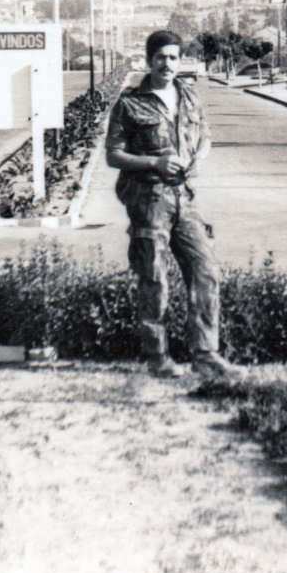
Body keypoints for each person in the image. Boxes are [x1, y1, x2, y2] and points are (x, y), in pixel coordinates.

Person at [105, 30, 238, 378]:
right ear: (149, 60)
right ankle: (157, 357)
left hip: (184, 197)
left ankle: (205, 353)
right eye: (161, 57)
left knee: (205, 269)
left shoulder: (189, 96)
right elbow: (113, 155)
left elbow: (205, 136)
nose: (167, 64)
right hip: (149, 199)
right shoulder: (130, 103)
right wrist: (155, 162)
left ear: (180, 61)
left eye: (173, 57)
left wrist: (198, 158)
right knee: (154, 277)